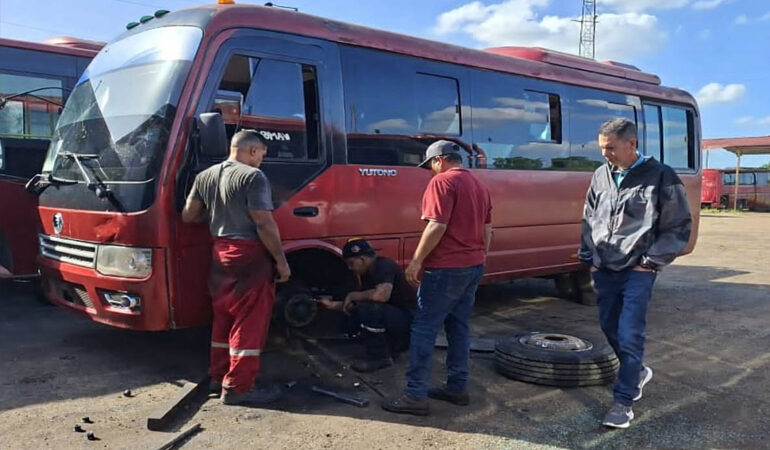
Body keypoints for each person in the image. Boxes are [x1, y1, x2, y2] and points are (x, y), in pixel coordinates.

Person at [579, 118, 692, 429]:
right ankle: (638, 371)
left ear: (632, 144)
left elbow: (678, 225)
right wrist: (589, 256)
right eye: (602, 149)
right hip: (605, 267)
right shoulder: (601, 175)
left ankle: (623, 401)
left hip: (638, 269)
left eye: (611, 148)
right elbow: (589, 217)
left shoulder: (661, 176)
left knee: (630, 333)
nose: (605, 155)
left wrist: (650, 261)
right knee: (608, 325)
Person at [381, 140, 492, 416]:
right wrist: (479, 256)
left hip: (445, 269)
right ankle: (457, 387)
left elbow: (437, 225)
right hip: (473, 265)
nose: (430, 171)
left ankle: (415, 395)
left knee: (424, 328)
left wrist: (416, 261)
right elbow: (488, 228)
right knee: (459, 327)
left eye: (430, 165)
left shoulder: (442, 183)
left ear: (440, 160)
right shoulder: (479, 185)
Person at [182, 129, 291, 406]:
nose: (261, 161)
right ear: (252, 151)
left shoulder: (204, 176)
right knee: (249, 320)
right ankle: (239, 387)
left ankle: (218, 376)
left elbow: (189, 215)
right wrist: (281, 260)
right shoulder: (253, 177)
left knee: (223, 316)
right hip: (249, 255)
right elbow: (264, 223)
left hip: (220, 253)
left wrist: (220, 211)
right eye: (262, 155)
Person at [317, 238, 415, 372]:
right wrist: (333, 305)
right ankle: (386, 346)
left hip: (409, 322)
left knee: (370, 310)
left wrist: (353, 295)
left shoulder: (383, 266)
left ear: (362, 259)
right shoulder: (367, 274)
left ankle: (380, 357)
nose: (350, 268)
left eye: (351, 263)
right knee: (354, 316)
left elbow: (381, 296)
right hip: (394, 319)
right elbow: (357, 304)